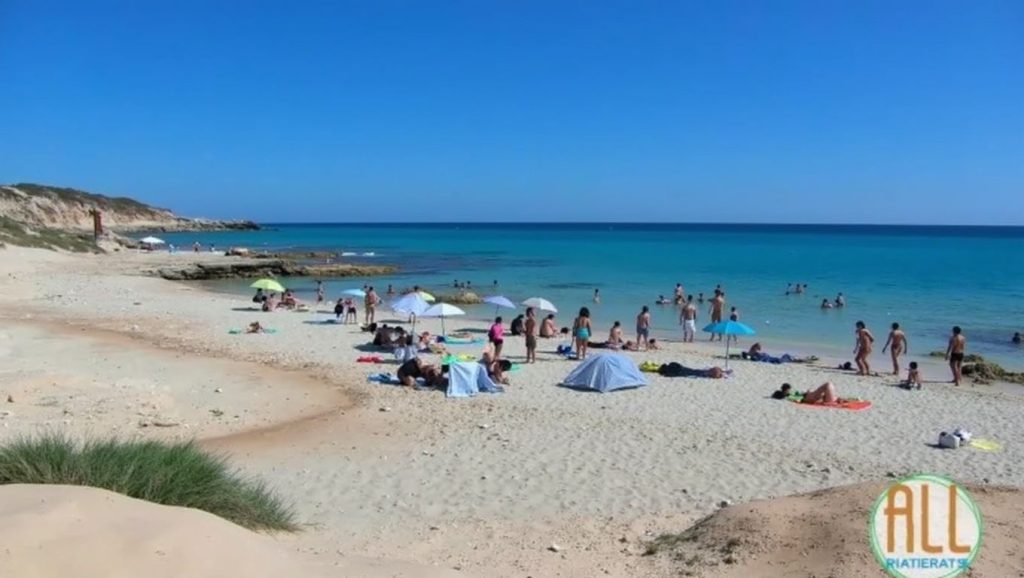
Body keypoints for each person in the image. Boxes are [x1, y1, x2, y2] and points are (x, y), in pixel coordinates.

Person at [773, 382, 841, 404]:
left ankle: (835, 399)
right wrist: (806, 394)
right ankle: (834, 399)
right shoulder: (789, 396)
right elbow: (799, 399)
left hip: (810, 397)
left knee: (828, 386)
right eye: (789, 389)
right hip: (809, 397)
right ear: (787, 390)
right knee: (828, 384)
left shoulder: (789, 395)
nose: (790, 390)